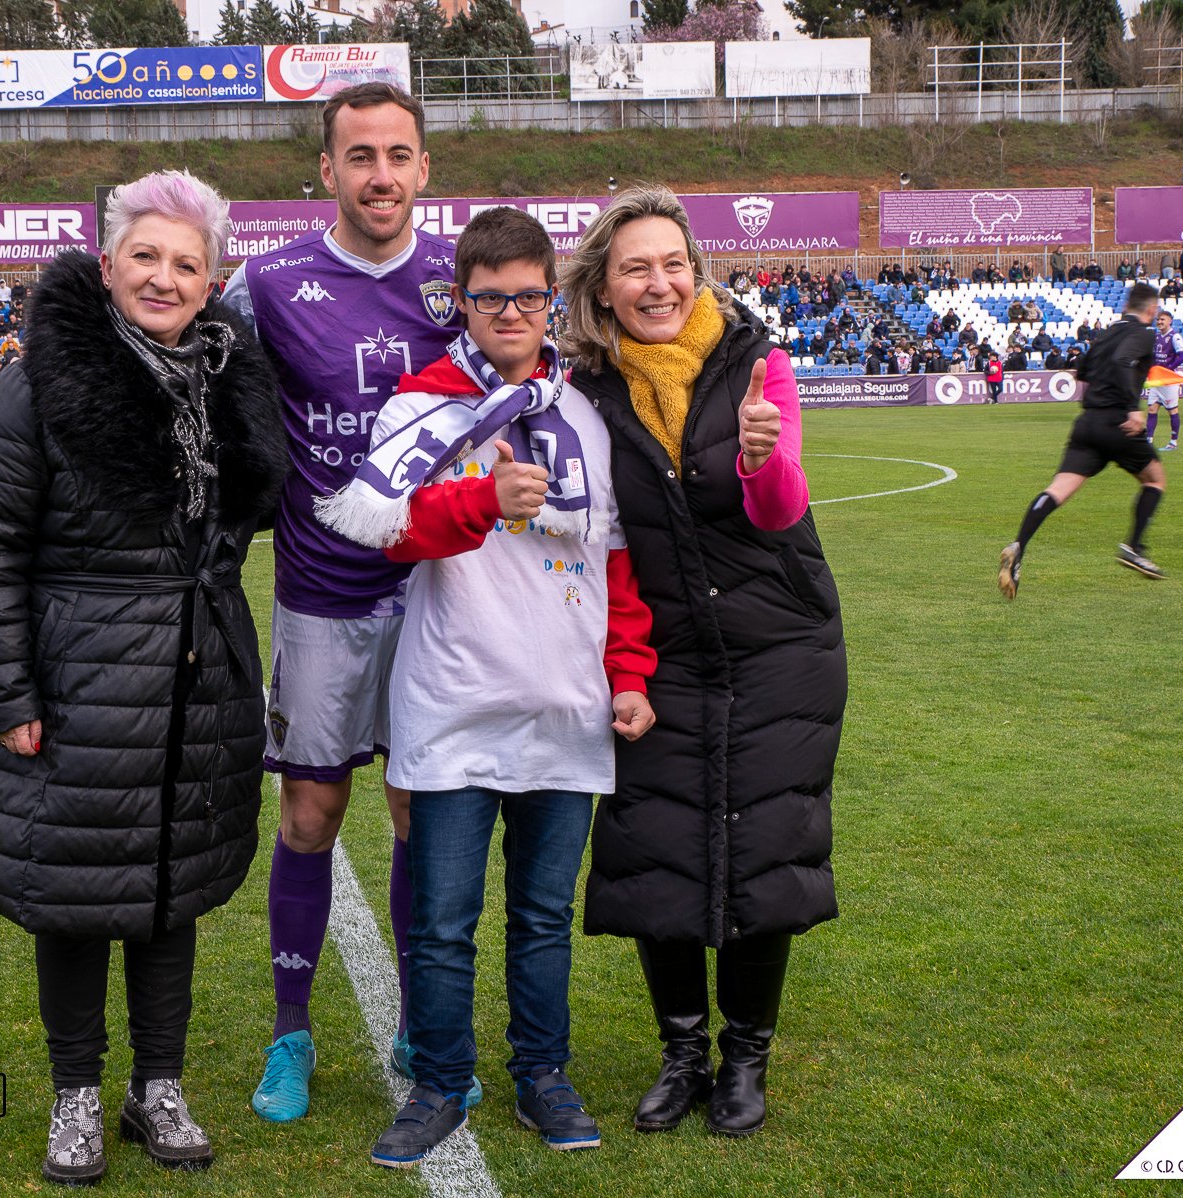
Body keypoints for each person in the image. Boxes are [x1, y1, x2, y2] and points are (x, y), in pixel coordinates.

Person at [0, 170, 288, 1187]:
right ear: (107, 264)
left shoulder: (231, 383)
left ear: (212, 278)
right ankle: (77, 1097)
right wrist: (7, 695)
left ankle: (160, 1086)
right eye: (145, 254)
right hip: (80, 680)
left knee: (168, 892)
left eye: (187, 262)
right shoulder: (38, 383)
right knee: (75, 893)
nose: (164, 275)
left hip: (197, 679)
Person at [316, 207, 656, 1167]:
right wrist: (481, 498)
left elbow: (618, 566)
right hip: (454, 702)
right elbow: (391, 531)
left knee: (544, 919)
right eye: (490, 296)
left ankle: (543, 1074)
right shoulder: (420, 403)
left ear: (554, 300)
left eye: (529, 295)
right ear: (460, 302)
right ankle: (436, 1084)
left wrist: (628, 675)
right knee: (442, 919)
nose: (512, 312)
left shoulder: (587, 409)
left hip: (566, 705)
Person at [558, 185, 846, 1138]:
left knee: (765, 851)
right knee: (659, 852)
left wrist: (767, 459)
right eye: (636, 267)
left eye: (673, 263)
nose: (660, 283)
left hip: (779, 643)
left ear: (696, 268)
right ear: (602, 286)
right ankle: (682, 1055)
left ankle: (744, 1060)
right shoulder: (584, 391)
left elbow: (776, 514)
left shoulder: (758, 363)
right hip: (664, 649)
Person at [221, 82, 463, 1123]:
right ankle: (291, 1032)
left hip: (441, 593)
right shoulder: (266, 283)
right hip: (320, 593)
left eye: (397, 154)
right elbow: (195, 381)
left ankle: (416, 1019)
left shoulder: (464, 280)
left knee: (418, 812)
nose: (379, 174)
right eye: (358, 155)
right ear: (326, 170)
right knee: (313, 812)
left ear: (423, 169)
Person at [999, 282, 1168, 599]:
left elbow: (1082, 370)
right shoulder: (1145, 333)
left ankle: (1018, 544)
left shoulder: (1104, 333)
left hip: (1086, 424)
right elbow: (1121, 362)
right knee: (1155, 480)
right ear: (1151, 309)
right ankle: (1133, 546)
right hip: (1117, 421)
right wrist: (1132, 407)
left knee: (1057, 490)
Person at [1145, 310, 1183, 450]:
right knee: (1152, 409)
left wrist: (1169, 368)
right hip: (1157, 379)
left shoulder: (1175, 337)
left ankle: (1173, 442)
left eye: (1162, 319)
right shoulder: (1156, 337)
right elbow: (1153, 357)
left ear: (1170, 321)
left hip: (1169, 380)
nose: (1159, 322)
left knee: (1172, 411)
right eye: (1158, 319)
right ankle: (1148, 442)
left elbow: (1182, 357)